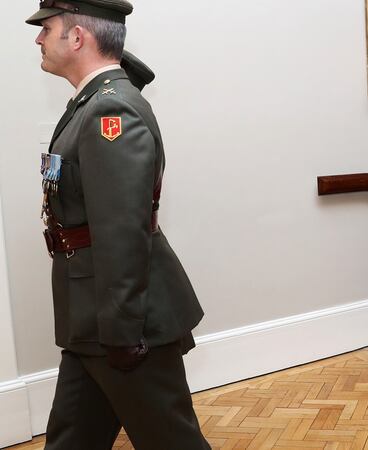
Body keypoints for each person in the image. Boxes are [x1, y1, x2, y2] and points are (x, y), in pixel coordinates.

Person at [27, 1, 210, 448]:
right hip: (90, 316)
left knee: (172, 442)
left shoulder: (111, 112)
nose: (38, 38)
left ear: (77, 37)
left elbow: (122, 232)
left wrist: (123, 333)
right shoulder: (90, 102)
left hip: (122, 324)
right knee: (72, 439)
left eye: (46, 28)